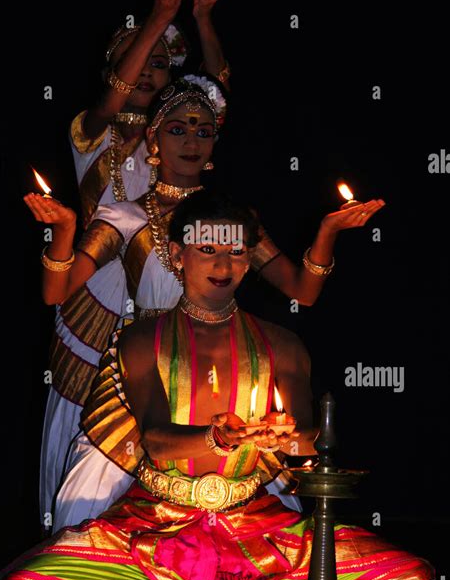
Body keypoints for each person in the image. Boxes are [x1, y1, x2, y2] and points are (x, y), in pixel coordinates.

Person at [2, 193, 432, 580]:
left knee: (411, 578)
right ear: (177, 255)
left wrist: (286, 437)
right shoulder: (141, 339)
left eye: (236, 252)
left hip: (260, 525)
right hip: (153, 524)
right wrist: (221, 439)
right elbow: (155, 440)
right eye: (208, 250)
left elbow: (306, 441)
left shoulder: (281, 344)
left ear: (249, 260)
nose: (223, 265)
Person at [26, 75, 385, 530]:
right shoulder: (125, 215)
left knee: (266, 487)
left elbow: (302, 291)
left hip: (228, 362)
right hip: (148, 362)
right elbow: (56, 292)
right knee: (89, 499)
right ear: (152, 138)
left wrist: (327, 233)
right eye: (177, 129)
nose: (192, 141)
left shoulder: (233, 221)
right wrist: (64, 230)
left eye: (204, 131)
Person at [71, 0, 229, 228]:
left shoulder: (178, 132)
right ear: (107, 74)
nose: (144, 70)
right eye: (133, 61)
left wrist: (203, 16)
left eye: (157, 64)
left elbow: (216, 95)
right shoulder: (93, 129)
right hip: (101, 264)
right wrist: (160, 17)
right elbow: (111, 101)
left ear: (170, 77)